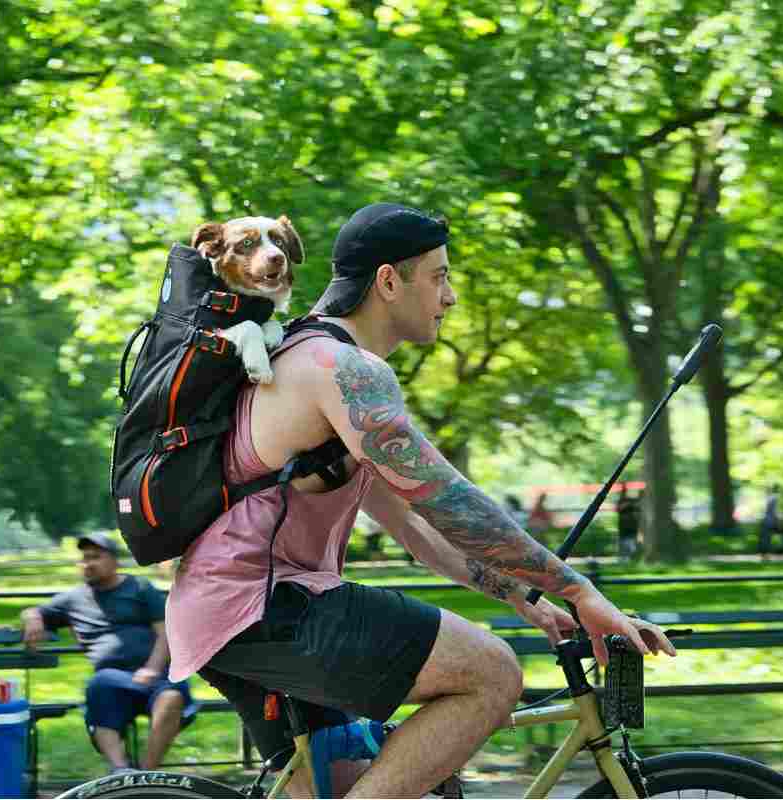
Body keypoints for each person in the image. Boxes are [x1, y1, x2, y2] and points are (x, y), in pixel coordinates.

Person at [165, 203, 676, 798]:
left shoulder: (308, 353)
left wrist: (530, 598)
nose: (450, 296)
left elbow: (413, 525)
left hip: (226, 612)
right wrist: (580, 590)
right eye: (439, 276)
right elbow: (445, 500)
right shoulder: (340, 367)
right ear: (388, 281)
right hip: (263, 606)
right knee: (491, 672)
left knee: (344, 780)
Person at [20, 533, 197, 772]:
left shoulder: (140, 588)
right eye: (84, 558)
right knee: (98, 686)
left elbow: (165, 632)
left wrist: (152, 668)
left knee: (172, 698)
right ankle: (120, 770)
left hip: (157, 674)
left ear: (114, 561)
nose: (88, 563)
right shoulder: (73, 599)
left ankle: (147, 773)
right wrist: (32, 618)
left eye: (96, 557)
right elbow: (36, 611)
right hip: (111, 678)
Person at [615, 486, 640, 559]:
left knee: (631, 541)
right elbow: (618, 509)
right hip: (624, 525)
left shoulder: (631, 501)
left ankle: (631, 557)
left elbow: (637, 508)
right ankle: (624, 558)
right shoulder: (622, 501)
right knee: (624, 542)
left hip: (631, 525)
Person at [758, 484, 781, 557]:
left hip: (767, 520)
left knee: (766, 537)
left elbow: (770, 510)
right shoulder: (774, 498)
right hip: (770, 521)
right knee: (767, 537)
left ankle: (765, 553)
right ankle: (765, 553)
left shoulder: (770, 498)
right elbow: (773, 510)